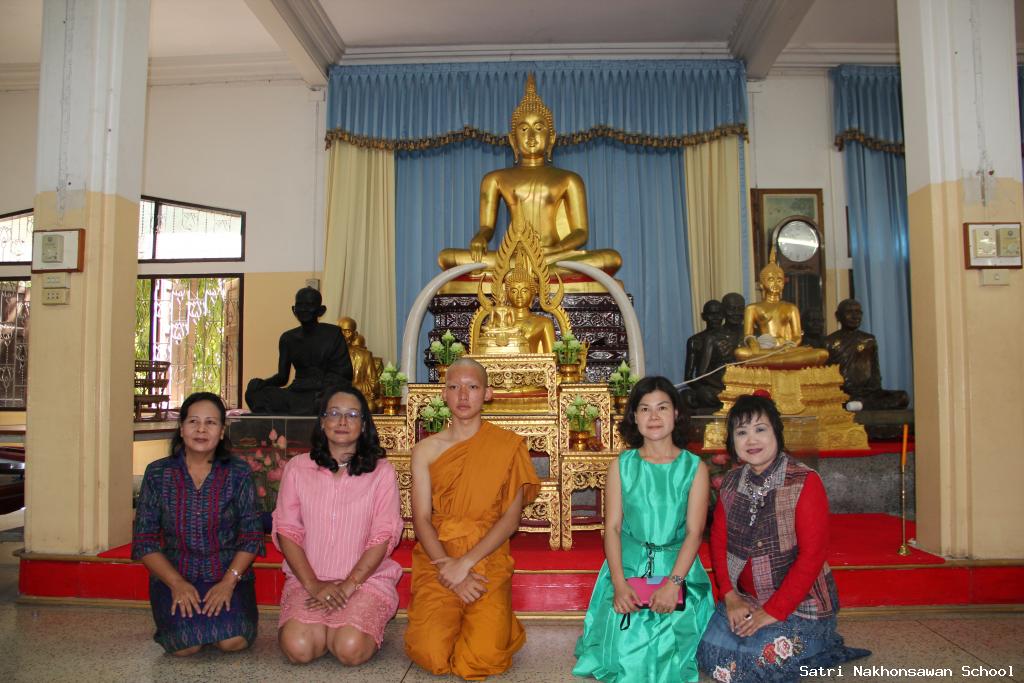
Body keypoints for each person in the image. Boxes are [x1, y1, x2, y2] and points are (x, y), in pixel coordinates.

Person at [697, 393, 870, 682]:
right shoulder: (730, 483)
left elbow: (812, 556)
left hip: (801, 606)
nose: (751, 439)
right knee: (707, 653)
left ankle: (824, 644)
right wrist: (730, 596)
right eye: (742, 432)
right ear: (732, 442)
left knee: (758, 663)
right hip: (748, 599)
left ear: (777, 432)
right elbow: (719, 542)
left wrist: (773, 611)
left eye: (760, 429)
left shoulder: (804, 481)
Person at [404, 357, 541, 679]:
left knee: (482, 659)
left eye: (472, 387)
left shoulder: (507, 446)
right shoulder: (425, 450)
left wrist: (465, 564)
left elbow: (510, 521)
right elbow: (421, 518)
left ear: (487, 394)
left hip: (486, 554)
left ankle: (497, 619)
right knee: (430, 655)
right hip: (439, 555)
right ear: (444, 394)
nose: (463, 395)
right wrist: (449, 570)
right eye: (454, 387)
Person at [574, 376, 714, 683]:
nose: (654, 416)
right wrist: (619, 583)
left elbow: (694, 532)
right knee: (624, 650)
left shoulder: (694, 468)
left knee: (674, 648)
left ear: (676, 413)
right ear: (634, 417)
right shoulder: (621, 466)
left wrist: (673, 584)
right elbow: (612, 528)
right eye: (644, 409)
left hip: (678, 567)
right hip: (628, 564)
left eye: (662, 407)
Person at [437, 74, 622, 276]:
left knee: (611, 258)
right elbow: (486, 226)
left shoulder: (569, 179)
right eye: (524, 129)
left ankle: (532, 268)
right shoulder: (495, 179)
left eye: (539, 128)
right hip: (512, 257)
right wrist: (480, 237)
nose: (531, 136)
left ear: (551, 138)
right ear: (512, 140)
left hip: (553, 255)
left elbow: (581, 232)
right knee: (447, 257)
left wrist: (554, 251)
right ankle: (531, 269)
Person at [273, 386, 403, 667]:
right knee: (299, 648)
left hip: (365, 581)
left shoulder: (381, 472)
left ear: (364, 424)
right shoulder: (297, 468)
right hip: (308, 579)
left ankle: (342, 626)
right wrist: (313, 585)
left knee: (349, 648)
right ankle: (323, 626)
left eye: (352, 414)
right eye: (334, 413)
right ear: (322, 421)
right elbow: (287, 530)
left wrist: (348, 586)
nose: (342, 421)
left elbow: (383, 535)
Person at [132, 391, 264, 656]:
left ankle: (222, 616)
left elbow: (251, 536)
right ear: (181, 429)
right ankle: (188, 620)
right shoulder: (158, 473)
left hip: (228, 574)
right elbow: (145, 541)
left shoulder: (238, 473)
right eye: (193, 421)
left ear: (222, 431)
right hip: (176, 574)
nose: (201, 429)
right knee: (186, 645)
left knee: (233, 640)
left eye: (210, 422)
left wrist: (228, 582)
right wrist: (176, 584)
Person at [245, 287, 353, 415]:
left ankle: (300, 411)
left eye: (309, 305)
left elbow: (345, 373)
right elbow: (282, 378)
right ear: (293, 310)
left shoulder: (333, 334)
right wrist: (263, 383)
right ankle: (296, 411)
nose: (304, 309)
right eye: (300, 305)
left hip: (322, 393)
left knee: (330, 399)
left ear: (321, 310)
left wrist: (319, 384)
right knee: (254, 393)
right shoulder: (288, 338)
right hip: (296, 393)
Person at [733, 252, 829, 369]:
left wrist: (789, 345)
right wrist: (753, 343)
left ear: (783, 284)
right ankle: (777, 361)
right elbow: (748, 334)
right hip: (765, 349)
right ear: (762, 284)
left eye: (779, 280)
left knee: (822, 353)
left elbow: (797, 336)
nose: (775, 284)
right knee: (740, 353)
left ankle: (763, 362)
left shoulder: (791, 308)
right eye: (771, 279)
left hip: (786, 349)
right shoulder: (752, 308)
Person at [824, 299, 909, 410]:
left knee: (902, 397)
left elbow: (875, 371)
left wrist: (875, 390)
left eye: (858, 312)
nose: (855, 316)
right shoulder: (829, 342)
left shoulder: (869, 340)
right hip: (842, 392)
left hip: (867, 393)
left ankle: (860, 405)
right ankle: (858, 404)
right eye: (849, 312)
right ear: (838, 316)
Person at [338, 316, 380, 410]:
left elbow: (374, 384)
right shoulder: (329, 354)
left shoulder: (365, 356)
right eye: (340, 331)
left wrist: (353, 387)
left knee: (370, 406)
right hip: (336, 396)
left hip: (357, 395)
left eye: (347, 332)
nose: (343, 335)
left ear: (355, 335)